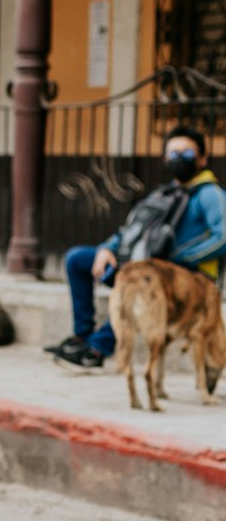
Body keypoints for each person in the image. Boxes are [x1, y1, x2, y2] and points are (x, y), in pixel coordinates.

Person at [50, 124, 226, 371]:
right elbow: (131, 228)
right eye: (173, 154)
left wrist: (180, 258)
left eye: (187, 154)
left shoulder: (209, 194)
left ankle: (97, 350)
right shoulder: (163, 193)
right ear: (165, 157)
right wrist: (106, 248)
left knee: (140, 282)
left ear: (203, 158)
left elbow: (223, 237)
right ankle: (82, 336)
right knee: (77, 259)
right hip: (143, 262)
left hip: (184, 277)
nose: (179, 160)